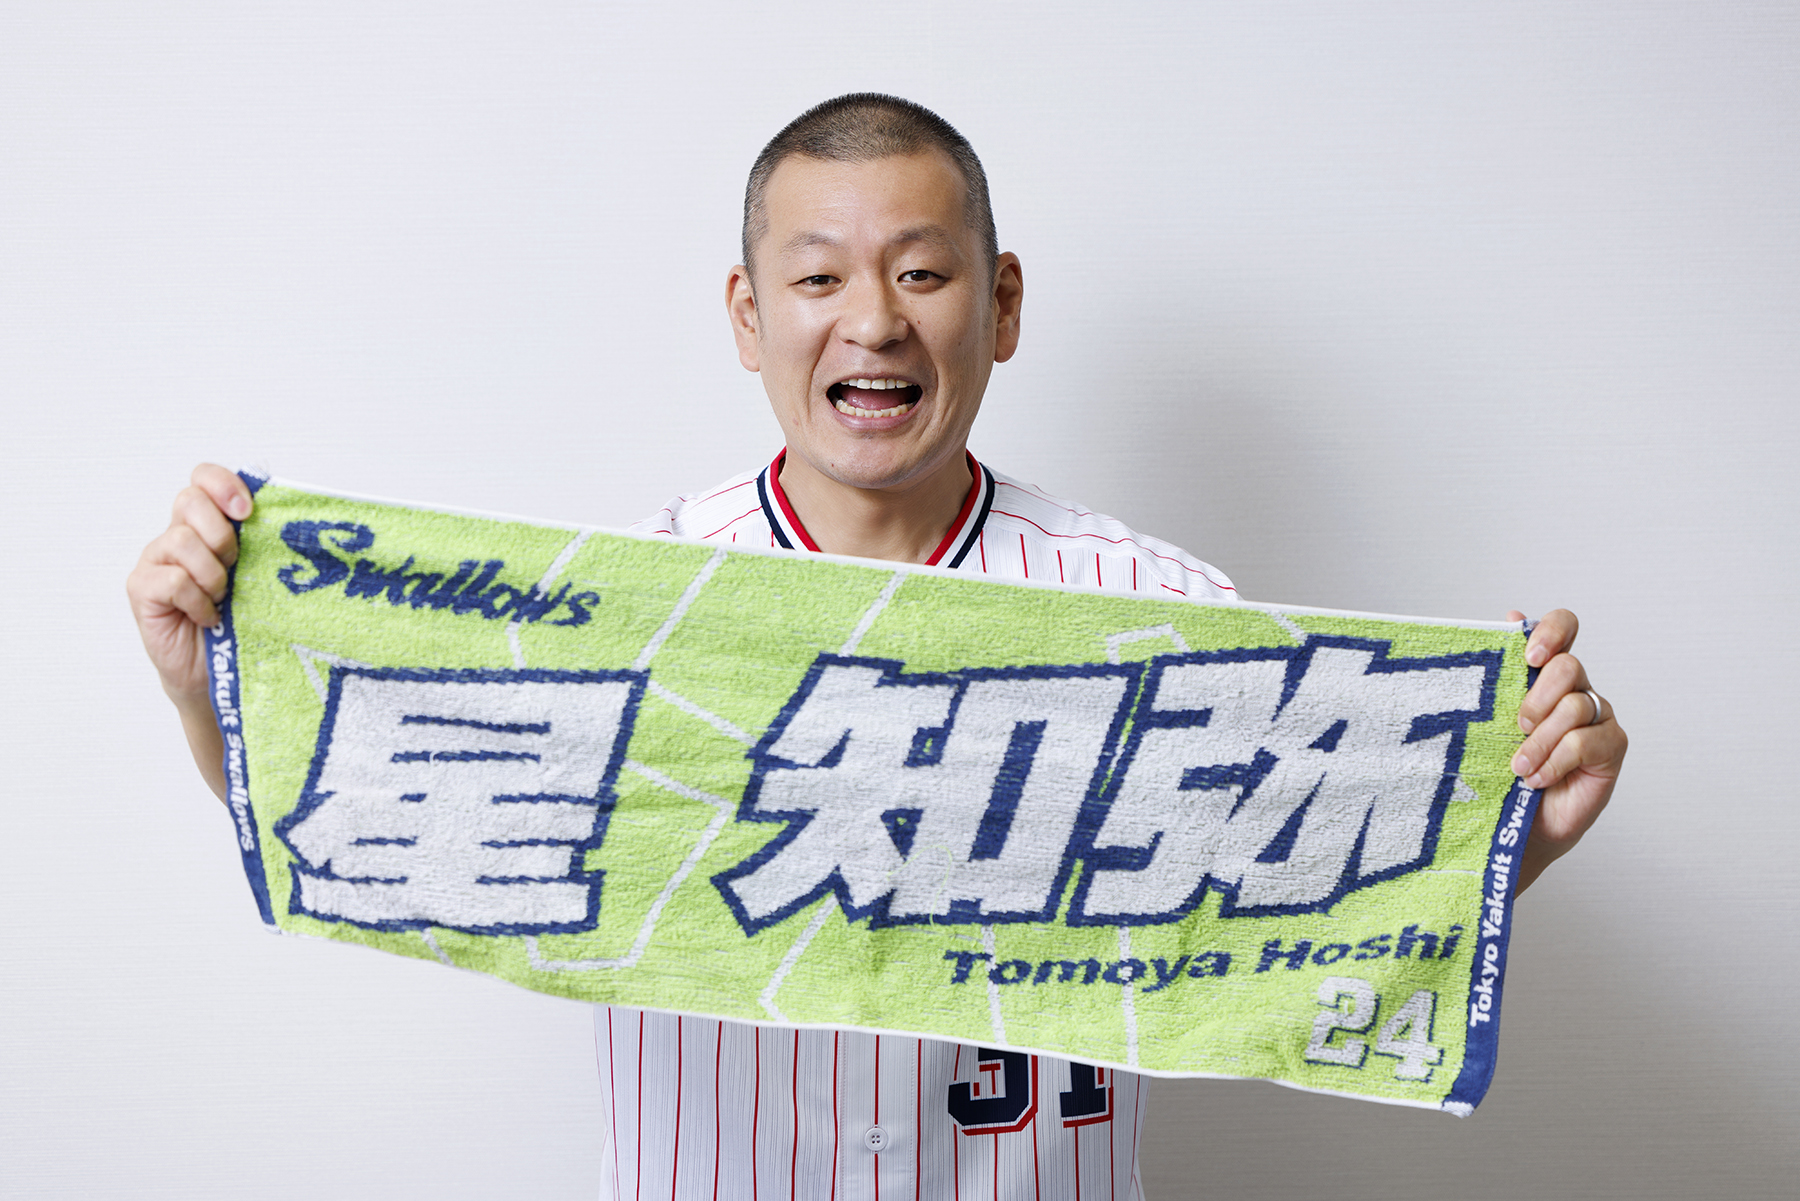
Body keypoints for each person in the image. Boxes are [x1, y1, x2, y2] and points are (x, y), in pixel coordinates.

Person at [127, 93, 1628, 1200]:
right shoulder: (622, 603)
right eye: (819, 278)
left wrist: (1517, 836)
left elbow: (1284, 924)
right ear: (748, 315)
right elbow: (390, 823)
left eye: (921, 272)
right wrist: (211, 695)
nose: (874, 322)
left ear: (1002, 303)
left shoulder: (1167, 613)